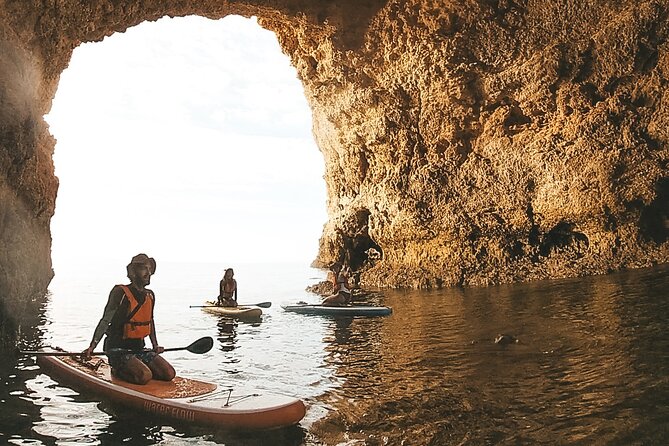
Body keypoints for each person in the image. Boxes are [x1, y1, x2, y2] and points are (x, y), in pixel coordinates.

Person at [82, 254, 175, 385]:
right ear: (133, 272)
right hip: (117, 350)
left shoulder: (150, 295)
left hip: (139, 349)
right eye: (144, 269)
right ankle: (117, 370)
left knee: (169, 373)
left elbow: (150, 321)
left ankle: (137, 366)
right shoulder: (120, 292)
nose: (148, 273)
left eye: (150, 269)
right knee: (145, 376)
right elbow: (105, 320)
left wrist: (155, 345)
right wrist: (92, 346)